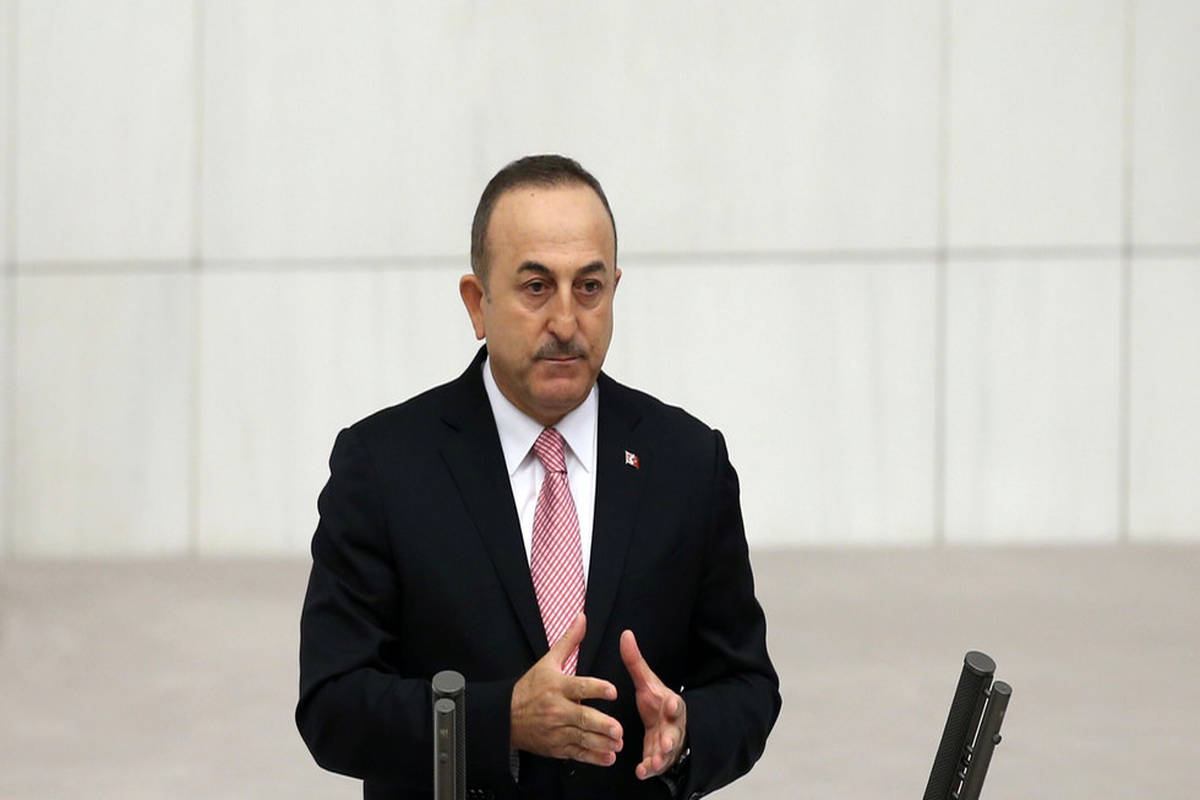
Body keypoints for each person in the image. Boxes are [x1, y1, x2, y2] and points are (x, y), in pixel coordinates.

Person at [297, 154, 780, 800]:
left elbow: (748, 687)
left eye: (589, 287)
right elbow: (332, 704)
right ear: (478, 303)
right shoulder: (382, 466)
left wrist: (687, 733)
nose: (565, 322)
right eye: (535, 287)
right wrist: (498, 721)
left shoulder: (689, 463)